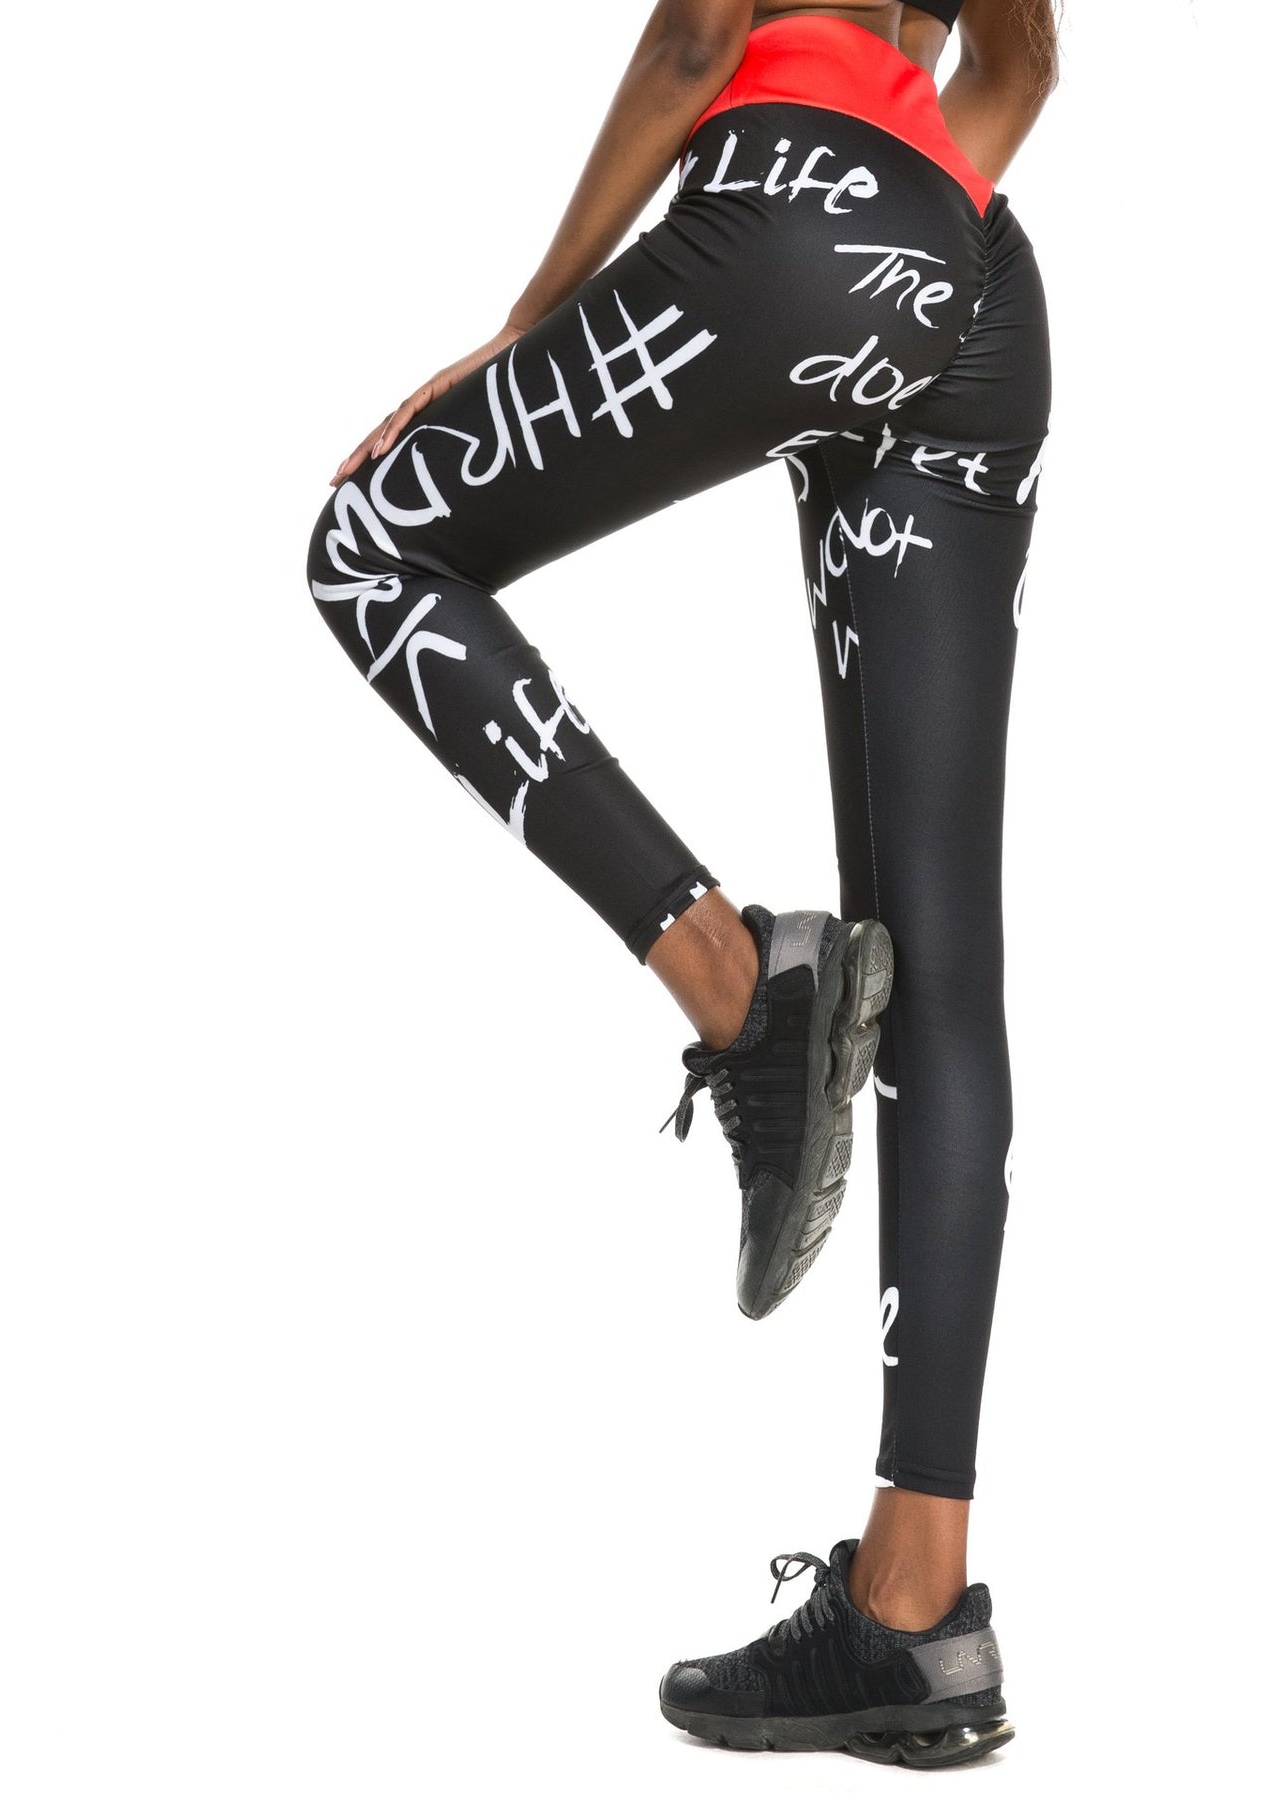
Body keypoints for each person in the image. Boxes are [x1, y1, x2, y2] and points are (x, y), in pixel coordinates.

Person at [307, 0, 1055, 1767]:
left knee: (371, 545)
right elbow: (1017, 67)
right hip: (975, 278)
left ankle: (735, 979)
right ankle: (914, 1617)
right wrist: (911, 231)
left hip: (797, 217)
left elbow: (704, 29)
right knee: (942, 966)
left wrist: (530, 323)